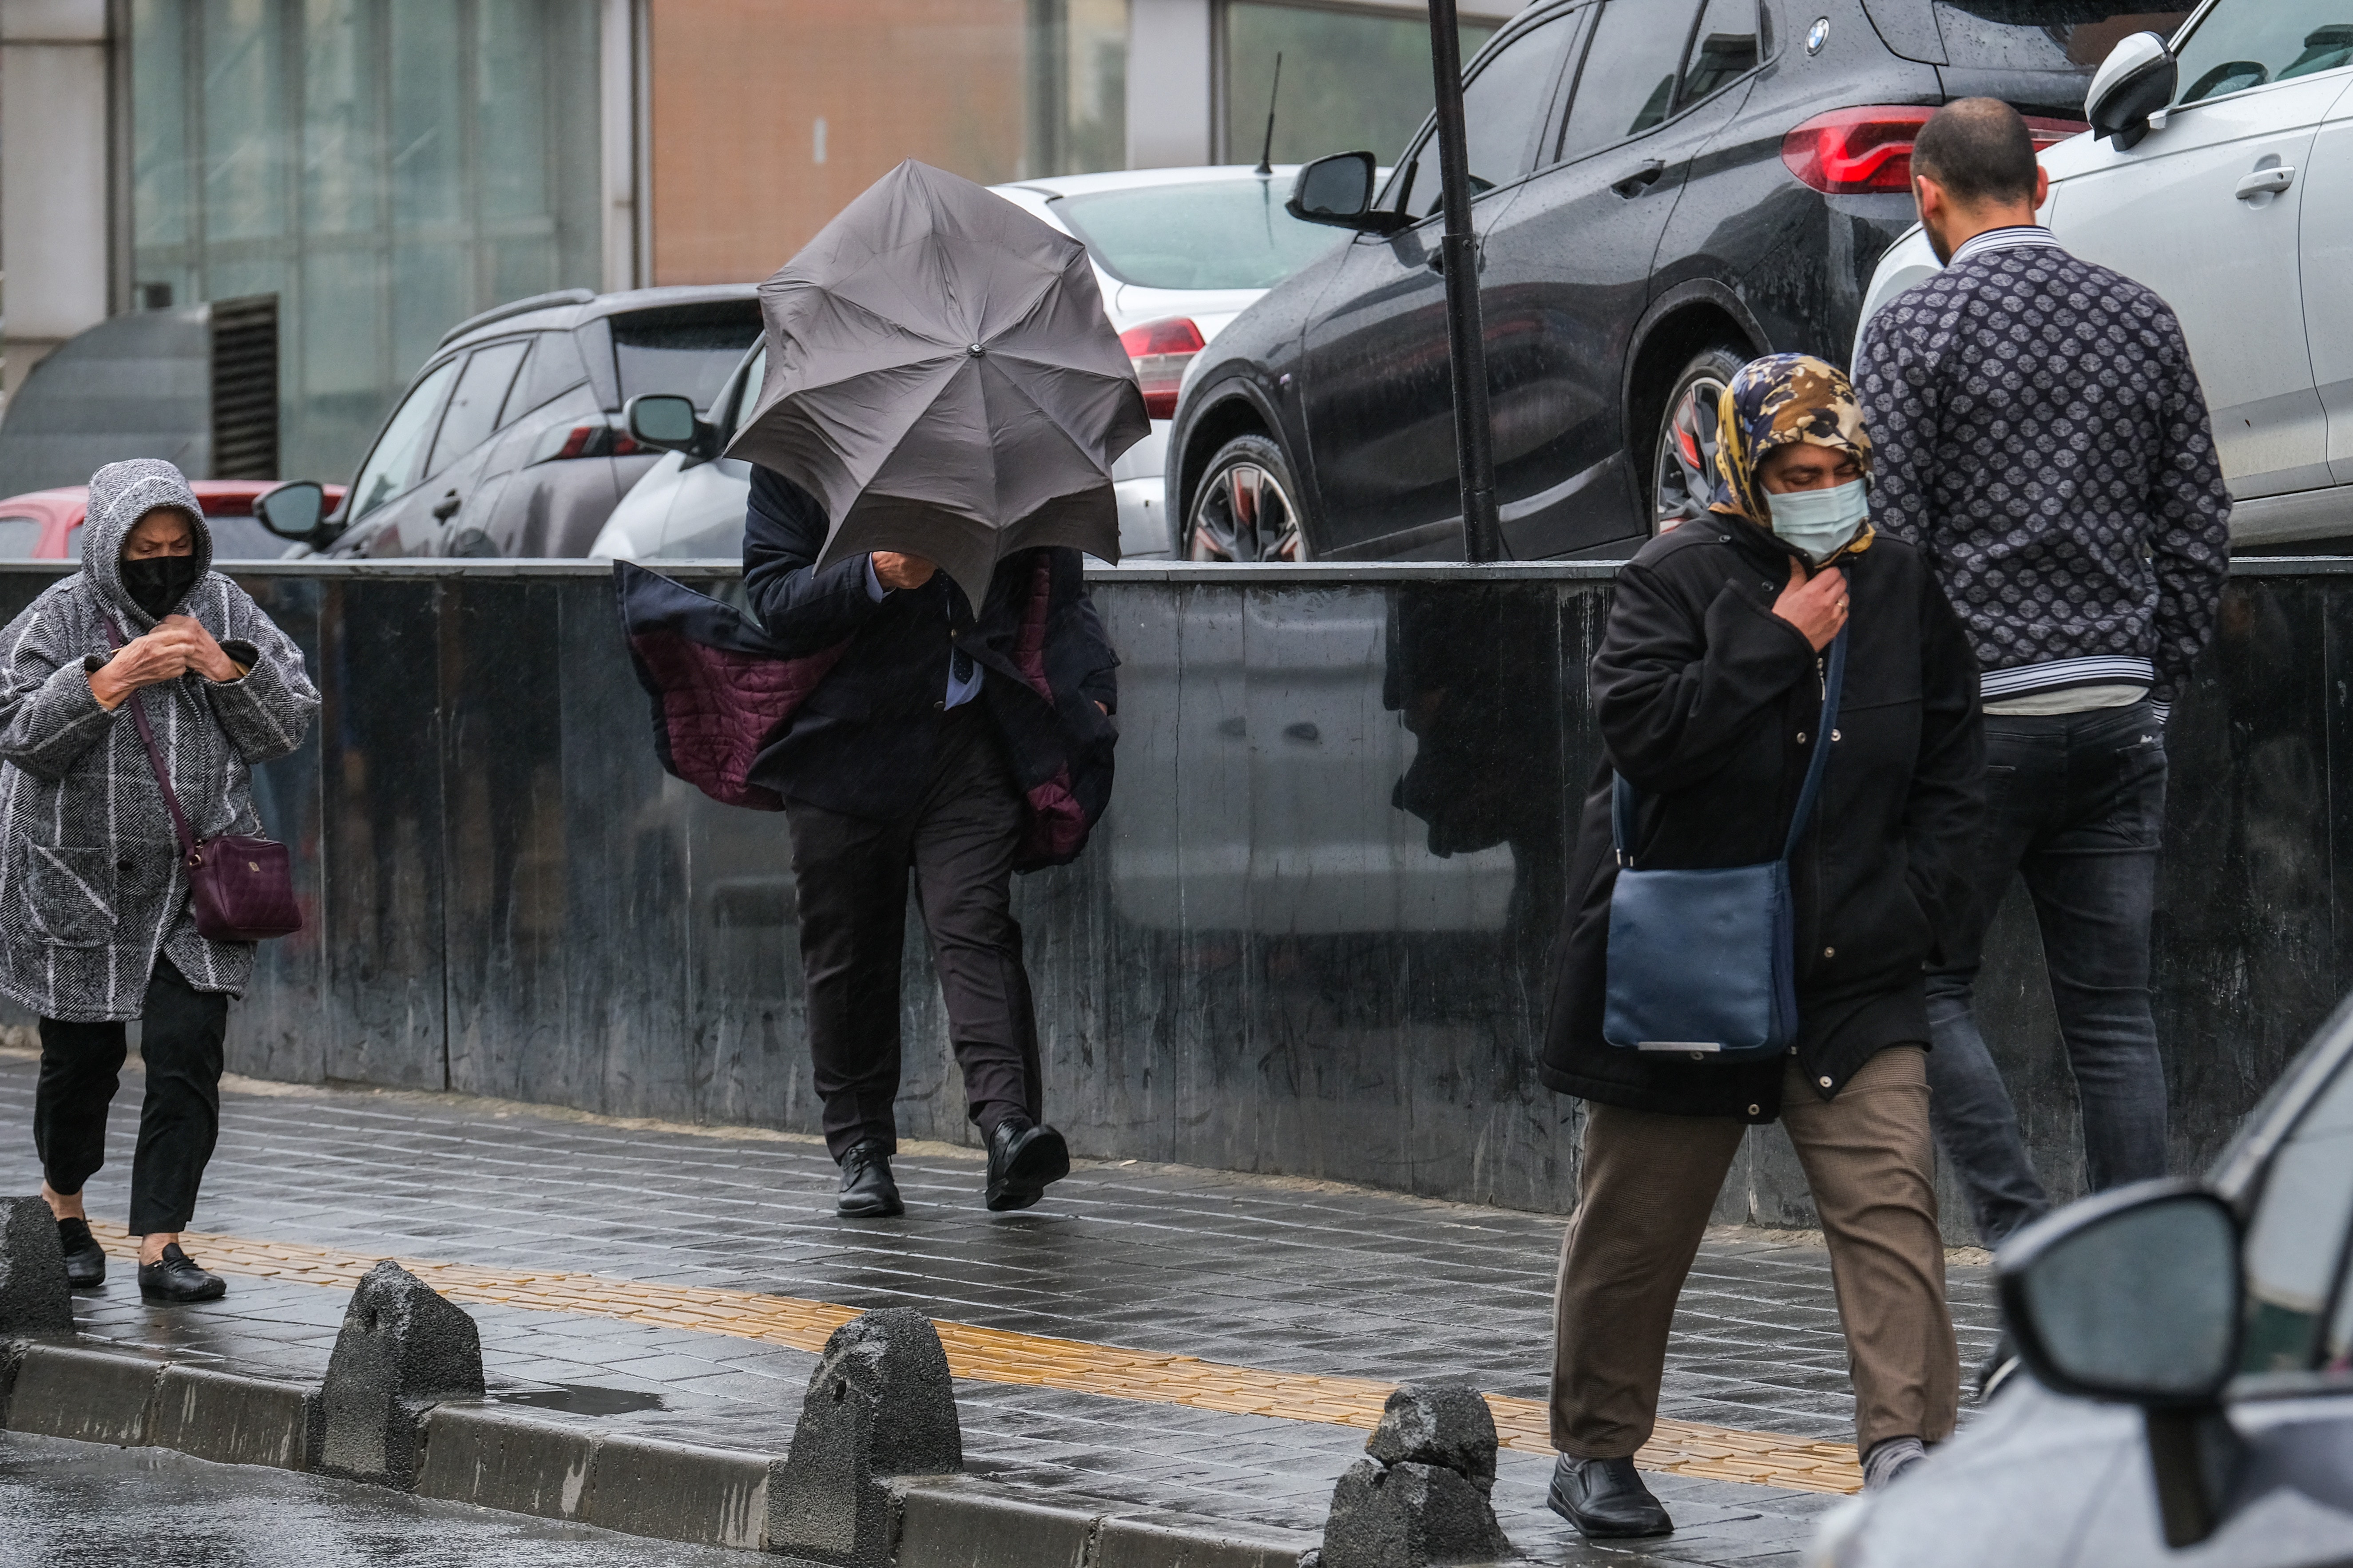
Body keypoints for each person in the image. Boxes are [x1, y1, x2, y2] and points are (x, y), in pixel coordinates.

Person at [1540, 356, 1982, 1534]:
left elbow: (1951, 772)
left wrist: (1914, 907)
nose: (1823, 491)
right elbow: (1641, 732)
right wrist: (1774, 643)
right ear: (1744, 471)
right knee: (1636, 1223)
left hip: (1853, 963)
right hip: (1693, 958)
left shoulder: (1902, 590)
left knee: (1890, 1207)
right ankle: (1593, 1448)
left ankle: (1904, 1446)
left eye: (1840, 471)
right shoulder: (1672, 579)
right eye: (1797, 472)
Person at [1856, 99, 2231, 1255]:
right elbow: (2196, 523)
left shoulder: (1913, 331)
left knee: (1922, 984)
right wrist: (2149, 675)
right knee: (2113, 1015)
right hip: (2117, 714)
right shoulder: (2138, 318)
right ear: (2042, 187)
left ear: (1926, 197)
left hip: (1977, 727)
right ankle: (2132, 1285)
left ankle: (2027, 1249)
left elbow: (1892, 545)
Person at [742, 466, 1117, 1218]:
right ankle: (862, 1151)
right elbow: (773, 600)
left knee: (975, 925)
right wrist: (875, 576)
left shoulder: (1001, 448)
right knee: (849, 948)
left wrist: (1092, 676)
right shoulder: (806, 452)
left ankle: (1009, 1128)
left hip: (967, 739)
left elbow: (1058, 592)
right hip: (844, 745)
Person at [1, 459, 320, 1303]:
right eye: (146, 547)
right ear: (110, 546)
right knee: (83, 1060)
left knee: (186, 1054)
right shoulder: (59, 617)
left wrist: (224, 667)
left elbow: (289, 721)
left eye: (180, 545)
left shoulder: (222, 607)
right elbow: (22, 735)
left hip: (197, 877)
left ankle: (160, 1243)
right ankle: (64, 1209)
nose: (165, 560)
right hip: (79, 880)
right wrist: (112, 677)